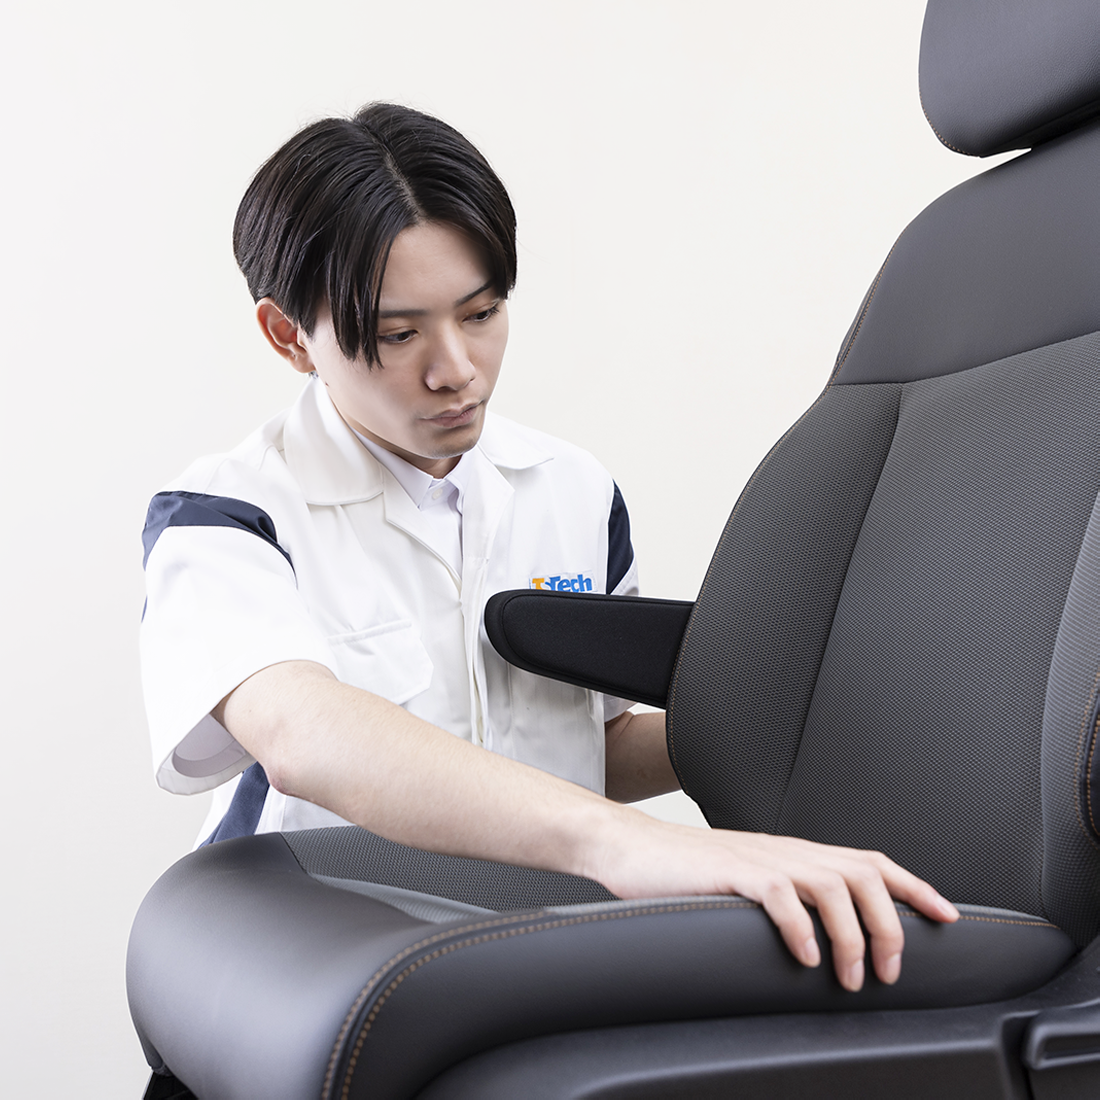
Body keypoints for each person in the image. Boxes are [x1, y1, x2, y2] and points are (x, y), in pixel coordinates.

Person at [140, 101, 957, 995]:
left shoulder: (573, 489)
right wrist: (631, 846)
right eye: (398, 334)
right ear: (289, 336)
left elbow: (586, 749)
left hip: (534, 952)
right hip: (313, 962)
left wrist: (801, 715)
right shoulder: (226, 514)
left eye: (482, 313)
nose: (458, 369)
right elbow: (302, 735)